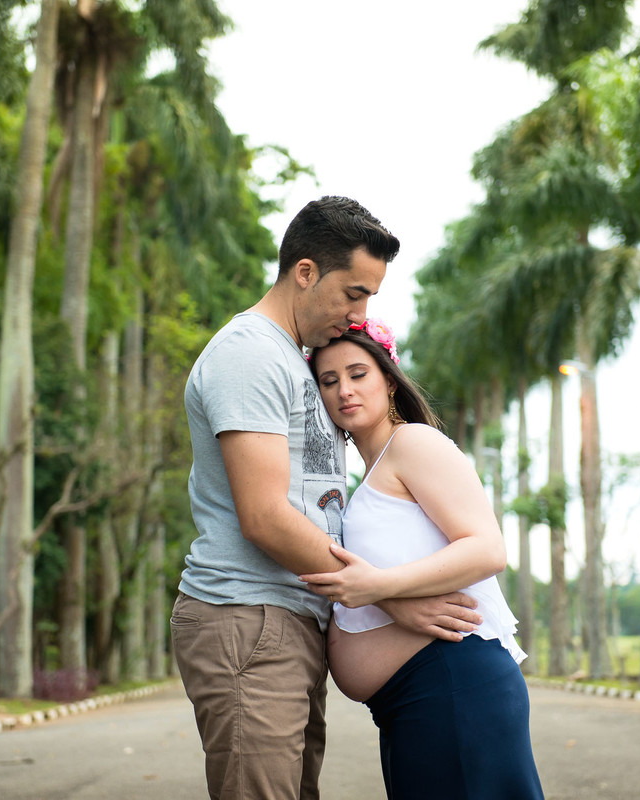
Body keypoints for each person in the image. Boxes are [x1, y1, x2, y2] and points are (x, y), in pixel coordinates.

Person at [171, 196, 484, 800]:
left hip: (284, 619)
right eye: (354, 293)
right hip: (247, 614)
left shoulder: (291, 361)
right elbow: (265, 518)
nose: (359, 312)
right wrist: (385, 598)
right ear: (306, 272)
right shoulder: (250, 355)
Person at [302, 320, 546, 800]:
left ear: (389, 380)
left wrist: (379, 586)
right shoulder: (374, 469)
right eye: (328, 382)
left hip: (454, 686)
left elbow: (487, 547)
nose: (344, 391)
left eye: (357, 374)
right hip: (415, 701)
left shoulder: (413, 443)